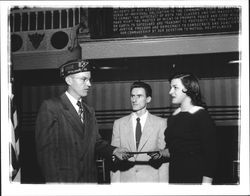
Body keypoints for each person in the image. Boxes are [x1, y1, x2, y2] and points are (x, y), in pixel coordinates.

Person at [35, 59, 129, 183]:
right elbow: (46, 155)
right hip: (65, 183)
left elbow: (96, 142)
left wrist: (113, 150)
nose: (89, 84)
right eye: (84, 79)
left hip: (89, 181)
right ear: (68, 80)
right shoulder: (51, 107)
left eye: (89, 79)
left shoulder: (89, 111)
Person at [150, 73, 217, 184]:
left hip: (196, 178)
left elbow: (211, 154)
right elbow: (175, 149)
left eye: (175, 87)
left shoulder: (201, 115)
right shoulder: (173, 117)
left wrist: (206, 184)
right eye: (171, 88)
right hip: (175, 176)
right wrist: (161, 153)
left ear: (188, 89)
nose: (170, 92)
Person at [110, 81, 168, 182]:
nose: (134, 99)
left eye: (139, 96)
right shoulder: (118, 124)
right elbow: (114, 160)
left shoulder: (161, 123)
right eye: (132, 96)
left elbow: (163, 162)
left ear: (148, 99)